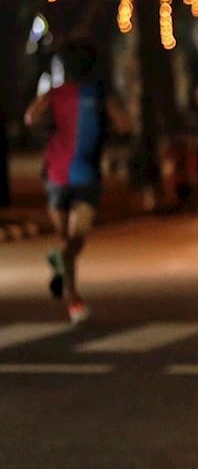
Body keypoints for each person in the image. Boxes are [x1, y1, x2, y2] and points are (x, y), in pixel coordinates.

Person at [23, 40, 124, 324]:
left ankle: (73, 298)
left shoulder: (55, 94)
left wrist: (50, 126)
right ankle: (73, 299)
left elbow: (30, 117)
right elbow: (125, 123)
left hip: (56, 175)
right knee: (75, 240)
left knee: (66, 240)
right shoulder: (99, 93)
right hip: (86, 175)